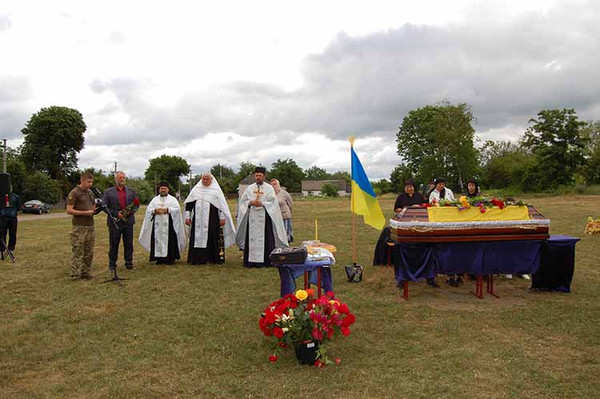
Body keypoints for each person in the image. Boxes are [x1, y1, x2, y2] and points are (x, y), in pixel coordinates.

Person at [236, 166, 288, 267]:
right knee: (251, 238)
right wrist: (250, 202)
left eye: (260, 175)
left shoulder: (269, 188)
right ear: (254, 176)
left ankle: (265, 261)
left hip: (264, 217)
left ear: (264, 176)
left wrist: (262, 203)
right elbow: (242, 201)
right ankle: (251, 262)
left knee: (266, 239)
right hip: (252, 218)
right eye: (256, 175)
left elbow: (273, 202)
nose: (258, 177)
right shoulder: (250, 188)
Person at [184, 173, 236, 264]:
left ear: (211, 180)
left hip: (212, 220)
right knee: (197, 237)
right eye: (203, 179)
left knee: (212, 238)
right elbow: (189, 204)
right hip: (198, 220)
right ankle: (197, 259)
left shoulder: (216, 191)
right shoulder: (196, 190)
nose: (205, 181)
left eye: (207, 179)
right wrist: (188, 217)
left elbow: (221, 206)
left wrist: (222, 218)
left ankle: (211, 258)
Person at [139, 182, 186, 265]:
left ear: (168, 190)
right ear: (159, 190)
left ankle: (170, 258)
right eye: (161, 188)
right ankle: (158, 258)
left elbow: (177, 209)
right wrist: (155, 211)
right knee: (157, 239)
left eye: (165, 188)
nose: (163, 190)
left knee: (170, 240)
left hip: (169, 224)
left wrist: (167, 210)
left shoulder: (172, 199)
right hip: (157, 224)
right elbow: (149, 210)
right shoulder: (155, 200)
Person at [102, 171, 139, 271]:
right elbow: (104, 207)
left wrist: (130, 212)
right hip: (115, 222)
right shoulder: (108, 192)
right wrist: (116, 214)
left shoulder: (131, 191)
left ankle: (129, 263)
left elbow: (136, 204)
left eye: (123, 177)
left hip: (128, 222)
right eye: (120, 178)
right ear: (116, 179)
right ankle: (112, 265)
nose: (122, 179)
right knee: (114, 244)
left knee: (129, 244)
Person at [66, 172, 96, 279]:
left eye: (92, 182)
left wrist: (95, 210)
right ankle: (75, 273)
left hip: (90, 225)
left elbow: (93, 207)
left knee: (89, 250)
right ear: (82, 181)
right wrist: (84, 213)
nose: (90, 184)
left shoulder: (90, 193)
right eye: (88, 182)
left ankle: (86, 272)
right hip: (79, 226)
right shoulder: (74, 193)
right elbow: (69, 210)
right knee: (78, 250)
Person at [0, 175, 20, 257]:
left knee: (12, 234)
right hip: (3, 218)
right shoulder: (1, 197)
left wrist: (12, 212)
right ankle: (2, 248)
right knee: (2, 234)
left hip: (12, 218)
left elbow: (18, 207)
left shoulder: (16, 197)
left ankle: (11, 249)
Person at [270, 178, 294, 243]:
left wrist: (288, 212)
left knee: (285, 233)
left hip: (285, 216)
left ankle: (286, 245)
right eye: (271, 184)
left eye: (274, 184)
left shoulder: (284, 193)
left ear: (278, 184)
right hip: (275, 217)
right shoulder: (270, 194)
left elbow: (291, 204)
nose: (273, 186)